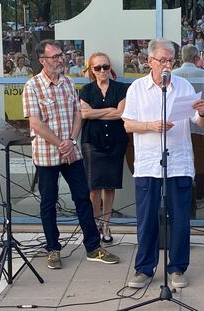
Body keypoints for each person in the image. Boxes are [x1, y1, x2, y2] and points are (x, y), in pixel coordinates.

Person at [22, 39, 120, 269]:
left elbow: (78, 114)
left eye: (61, 55)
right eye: (55, 57)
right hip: (47, 154)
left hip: (70, 153)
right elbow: (35, 123)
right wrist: (60, 143)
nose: (60, 59)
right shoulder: (32, 87)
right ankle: (53, 249)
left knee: (82, 198)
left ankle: (93, 246)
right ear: (42, 61)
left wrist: (71, 141)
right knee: (48, 202)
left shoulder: (67, 83)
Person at [122, 38, 204, 289]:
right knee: (146, 217)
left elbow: (199, 123)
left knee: (180, 217)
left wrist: (203, 112)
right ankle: (144, 268)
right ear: (150, 61)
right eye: (162, 60)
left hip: (178, 161)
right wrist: (151, 126)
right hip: (148, 162)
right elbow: (128, 124)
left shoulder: (183, 86)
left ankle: (177, 268)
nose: (167, 65)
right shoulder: (137, 88)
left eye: (171, 60)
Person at [79, 52, 128, 244]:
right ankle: (94, 224)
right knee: (94, 186)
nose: (102, 71)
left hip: (116, 142)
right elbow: (85, 114)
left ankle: (106, 223)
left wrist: (96, 112)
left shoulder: (121, 88)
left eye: (105, 67)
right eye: (97, 68)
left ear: (110, 68)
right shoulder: (86, 90)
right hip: (92, 142)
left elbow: (121, 114)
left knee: (110, 185)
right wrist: (109, 110)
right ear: (91, 70)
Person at [172, 44, 204, 203]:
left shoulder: (173, 74)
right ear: (196, 58)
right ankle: (200, 193)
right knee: (200, 160)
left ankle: (183, 193)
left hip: (178, 126)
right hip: (199, 125)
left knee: (180, 160)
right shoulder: (203, 74)